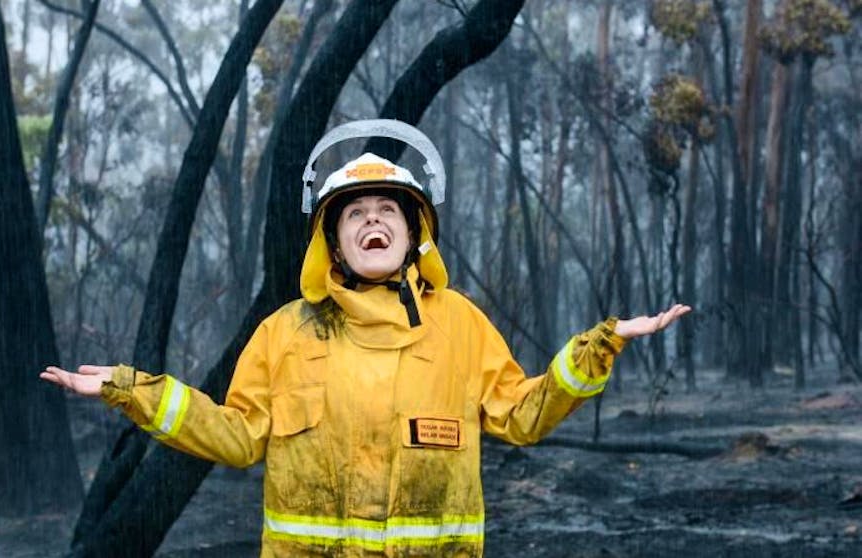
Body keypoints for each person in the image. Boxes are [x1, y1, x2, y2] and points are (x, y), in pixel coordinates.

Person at [41, 120, 690, 557]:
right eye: (356, 213)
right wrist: (133, 391)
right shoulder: (285, 334)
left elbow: (521, 416)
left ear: (415, 236)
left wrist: (598, 346)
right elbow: (236, 439)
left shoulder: (459, 323)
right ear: (332, 240)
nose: (373, 221)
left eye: (389, 212)